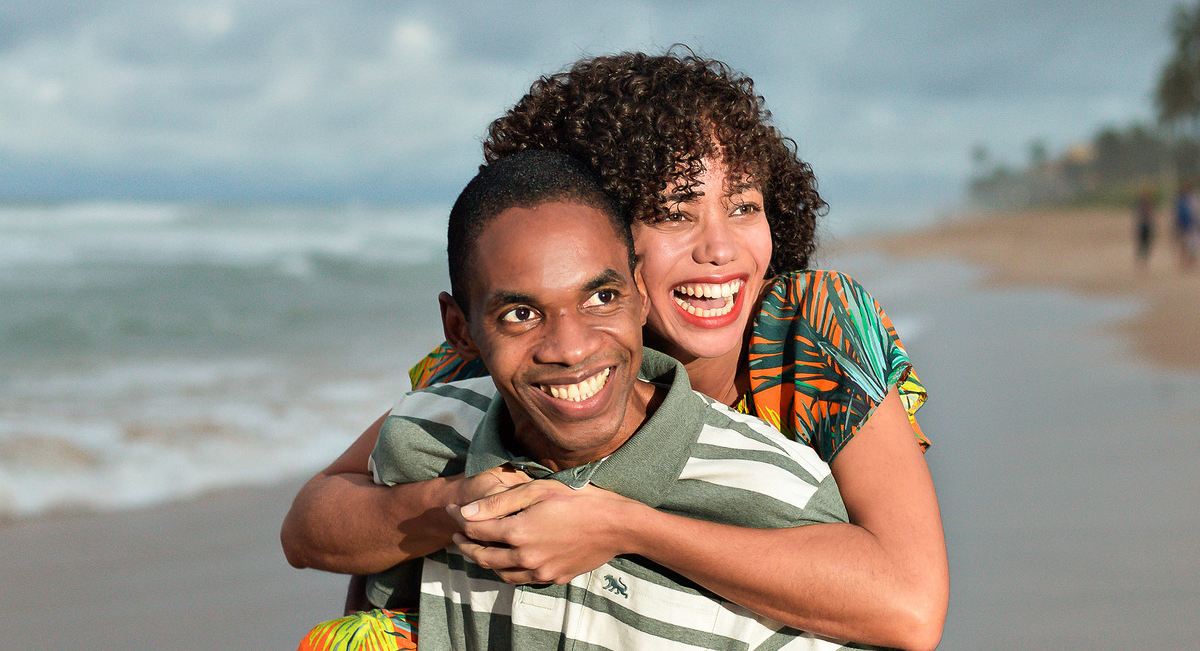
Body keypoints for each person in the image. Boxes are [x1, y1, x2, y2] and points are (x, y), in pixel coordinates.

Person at [282, 51, 948, 651]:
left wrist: (622, 527)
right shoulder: (528, 352)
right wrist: (453, 505)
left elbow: (908, 607)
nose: (721, 248)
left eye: (744, 207)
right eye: (675, 213)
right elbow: (318, 522)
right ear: (596, 230)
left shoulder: (809, 332)